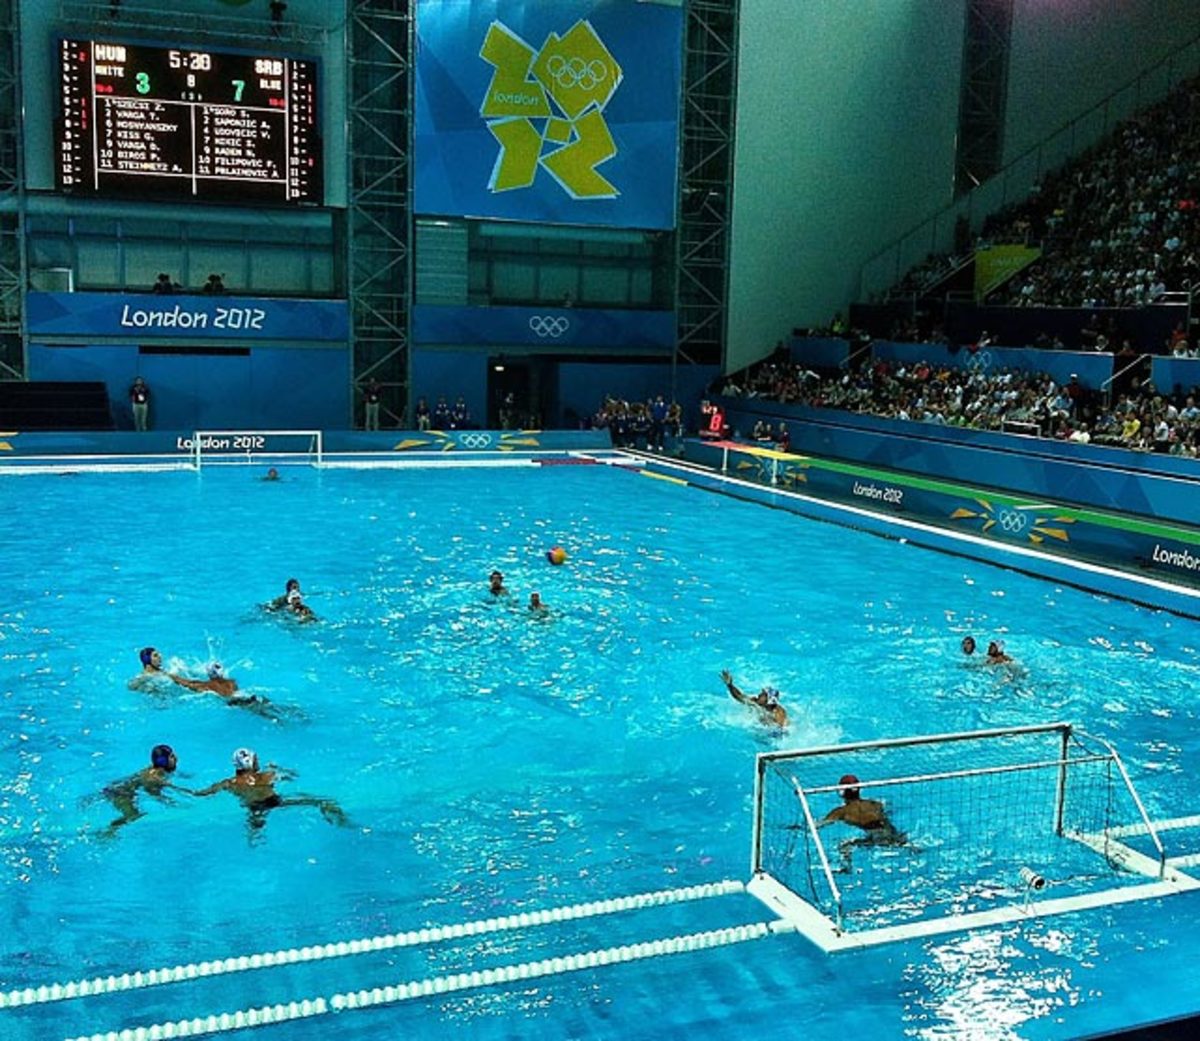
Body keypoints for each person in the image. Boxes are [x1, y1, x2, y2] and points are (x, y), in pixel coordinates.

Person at [195, 748, 347, 830]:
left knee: (254, 831)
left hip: (254, 807)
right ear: (249, 763)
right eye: (256, 760)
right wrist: (277, 767)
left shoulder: (228, 782)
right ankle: (339, 820)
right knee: (319, 801)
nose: (258, 762)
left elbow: (201, 794)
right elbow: (292, 776)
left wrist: (181, 789)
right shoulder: (266, 775)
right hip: (274, 801)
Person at [818, 773, 906, 869]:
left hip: (877, 839)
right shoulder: (876, 803)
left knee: (844, 846)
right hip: (894, 833)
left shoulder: (841, 812)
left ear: (841, 792)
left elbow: (821, 824)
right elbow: (888, 810)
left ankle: (846, 868)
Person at [99, 744, 188, 835]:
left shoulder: (157, 769)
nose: (176, 758)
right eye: (172, 756)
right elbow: (153, 791)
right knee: (133, 815)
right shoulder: (155, 776)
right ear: (163, 761)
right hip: (119, 793)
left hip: (117, 789)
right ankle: (109, 831)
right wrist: (169, 800)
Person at [720, 670, 787, 726]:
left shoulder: (778, 712)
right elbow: (739, 696)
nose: (759, 695)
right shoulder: (756, 702)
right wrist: (730, 685)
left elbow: (781, 730)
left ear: (769, 700)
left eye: (763, 694)